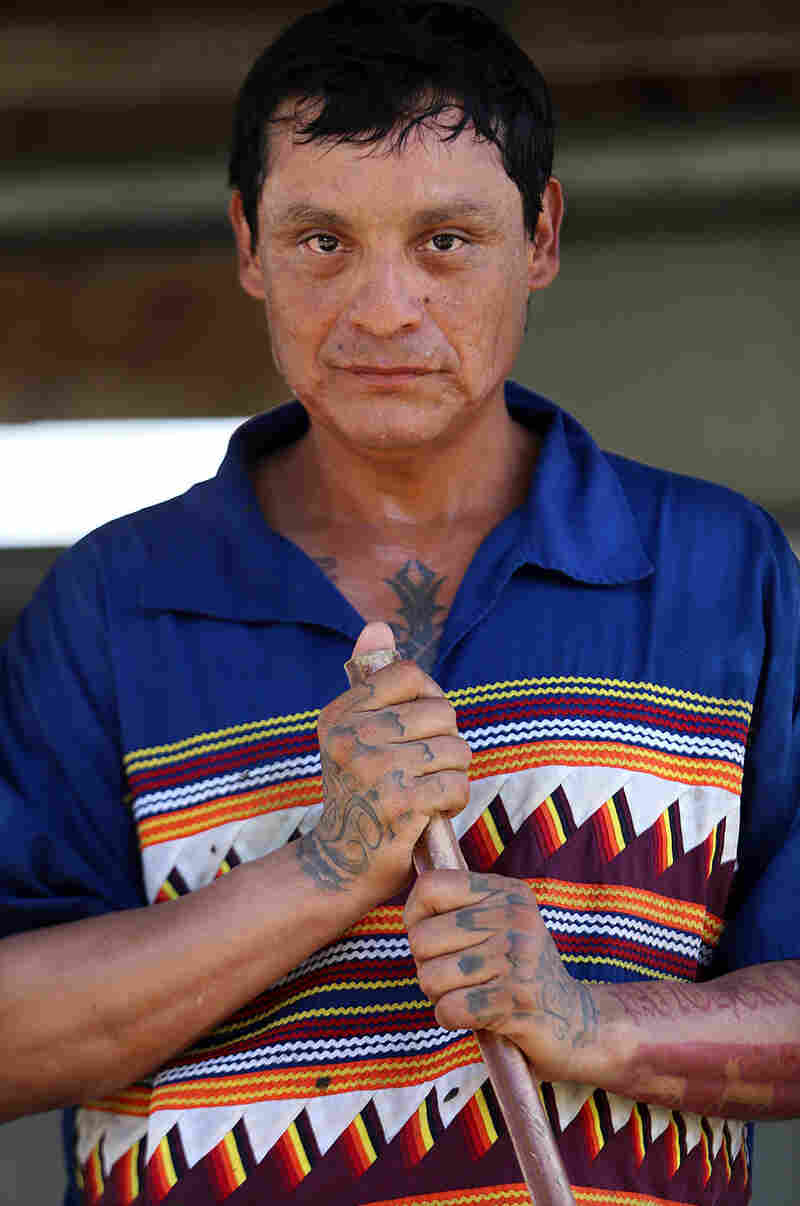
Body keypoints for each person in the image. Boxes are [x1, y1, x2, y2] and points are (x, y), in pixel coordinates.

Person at [1, 2, 798, 1204]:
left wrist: (586, 1020)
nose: (382, 309)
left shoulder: (716, 570)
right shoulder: (114, 602)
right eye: (322, 241)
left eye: (444, 241)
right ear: (248, 246)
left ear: (540, 236)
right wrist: (326, 868)